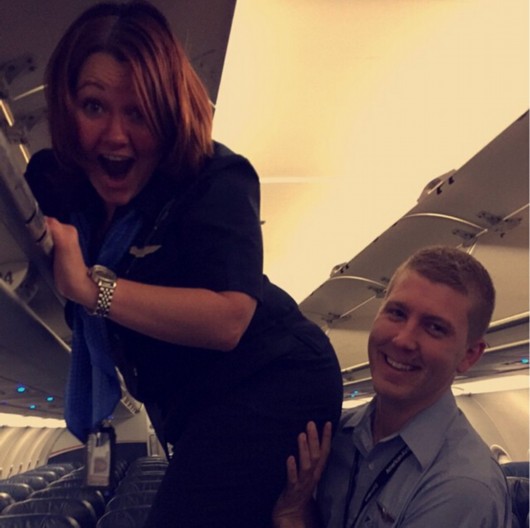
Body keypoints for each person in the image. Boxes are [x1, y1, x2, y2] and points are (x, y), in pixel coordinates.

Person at [23, 2, 343, 526]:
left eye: (139, 112)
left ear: (169, 113)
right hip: (188, 403)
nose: (116, 135)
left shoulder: (213, 179)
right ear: (66, 105)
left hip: (272, 379)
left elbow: (229, 319)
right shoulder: (59, 181)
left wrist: (92, 289)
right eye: (94, 106)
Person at [273, 246, 511, 527]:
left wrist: (292, 515)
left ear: (469, 355)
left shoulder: (462, 488)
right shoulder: (335, 434)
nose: (403, 340)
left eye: (435, 327)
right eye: (397, 313)